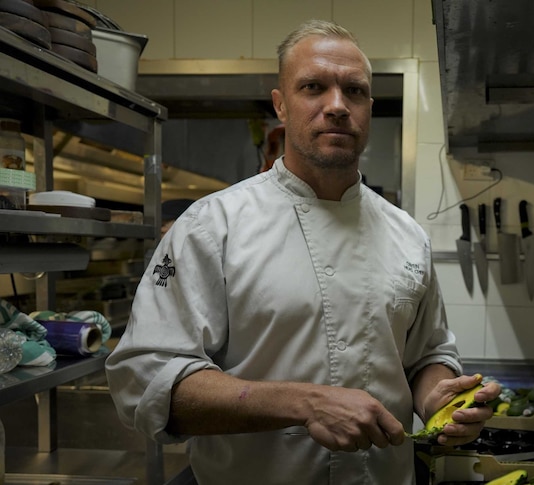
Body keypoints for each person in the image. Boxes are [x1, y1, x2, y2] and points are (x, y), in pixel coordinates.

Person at [105, 19, 500, 484]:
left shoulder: (407, 234)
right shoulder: (211, 226)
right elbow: (145, 379)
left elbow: (426, 354)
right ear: (282, 105)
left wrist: (440, 400)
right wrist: (304, 402)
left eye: (354, 91)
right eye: (314, 87)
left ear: (369, 107)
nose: (337, 106)